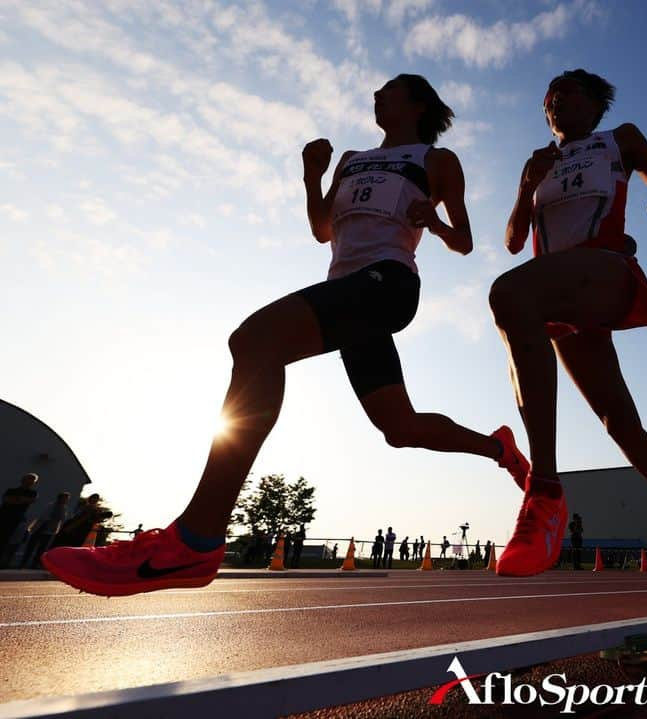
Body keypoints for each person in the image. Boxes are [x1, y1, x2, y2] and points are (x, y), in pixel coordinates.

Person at [42, 75, 531, 597]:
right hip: (346, 292)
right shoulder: (351, 158)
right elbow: (323, 229)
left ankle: (195, 538)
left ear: (416, 104)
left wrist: (430, 220)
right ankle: (497, 448)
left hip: (387, 285)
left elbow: (465, 241)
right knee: (399, 425)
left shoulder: (437, 160)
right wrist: (312, 176)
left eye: (389, 89)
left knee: (255, 340)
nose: (376, 94)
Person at [490, 68, 647, 579]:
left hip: (608, 271)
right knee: (620, 424)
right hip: (559, 301)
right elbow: (514, 240)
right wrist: (526, 187)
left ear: (595, 103)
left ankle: (543, 491)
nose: (554, 101)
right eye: (548, 96)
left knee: (508, 292)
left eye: (566, 92)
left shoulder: (620, 139)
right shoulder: (537, 161)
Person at [21, 492, 71, 569]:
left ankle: (34, 564)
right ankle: (23, 563)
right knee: (31, 546)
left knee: (42, 549)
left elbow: (62, 519)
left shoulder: (64, 509)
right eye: (64, 498)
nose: (65, 500)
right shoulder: (51, 506)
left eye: (66, 499)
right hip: (40, 528)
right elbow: (43, 517)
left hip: (50, 530)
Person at [0, 474, 39, 560]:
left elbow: (30, 500)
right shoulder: (11, 490)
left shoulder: (32, 493)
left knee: (6, 539)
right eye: (28, 480)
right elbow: (7, 500)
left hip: (15, 519)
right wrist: (20, 500)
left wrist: (17, 500)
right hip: (3, 515)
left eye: (32, 481)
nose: (29, 482)